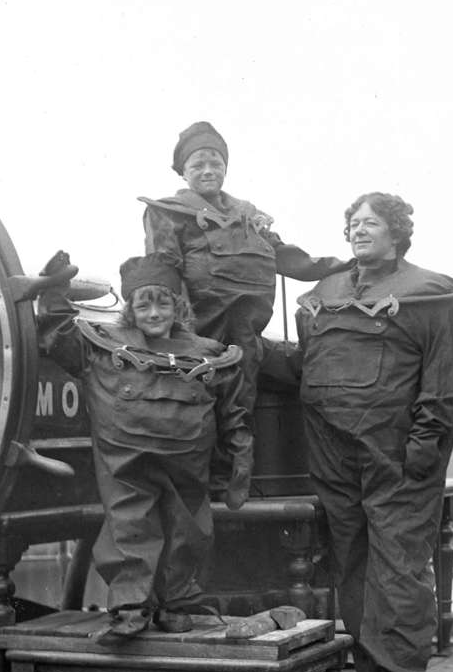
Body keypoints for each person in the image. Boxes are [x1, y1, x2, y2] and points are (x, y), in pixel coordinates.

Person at [297, 192, 453, 672]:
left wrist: (428, 440)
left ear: (398, 232)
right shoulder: (324, 293)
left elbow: (444, 374)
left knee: (398, 571)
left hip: (397, 455)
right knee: (353, 564)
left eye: (371, 222)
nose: (359, 230)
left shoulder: (433, 293)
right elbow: (308, 361)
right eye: (353, 222)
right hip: (333, 455)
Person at [37, 251, 254, 641]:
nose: (154, 313)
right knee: (129, 524)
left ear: (178, 305)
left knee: (187, 527)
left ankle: (175, 604)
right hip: (125, 461)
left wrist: (240, 459)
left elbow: (234, 411)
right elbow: (58, 336)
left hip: (187, 462)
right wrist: (53, 291)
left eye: (163, 302)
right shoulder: (101, 346)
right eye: (143, 304)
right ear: (130, 310)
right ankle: (131, 610)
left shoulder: (209, 355)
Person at [140, 121, 351, 499]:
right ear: (184, 172)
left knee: (241, 403)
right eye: (198, 164)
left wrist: (335, 265)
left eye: (216, 162)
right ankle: (207, 487)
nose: (208, 170)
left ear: (226, 167)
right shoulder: (167, 213)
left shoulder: (249, 216)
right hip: (197, 330)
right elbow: (164, 270)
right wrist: (178, 330)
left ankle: (237, 477)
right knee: (200, 405)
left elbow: (286, 256)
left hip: (245, 329)